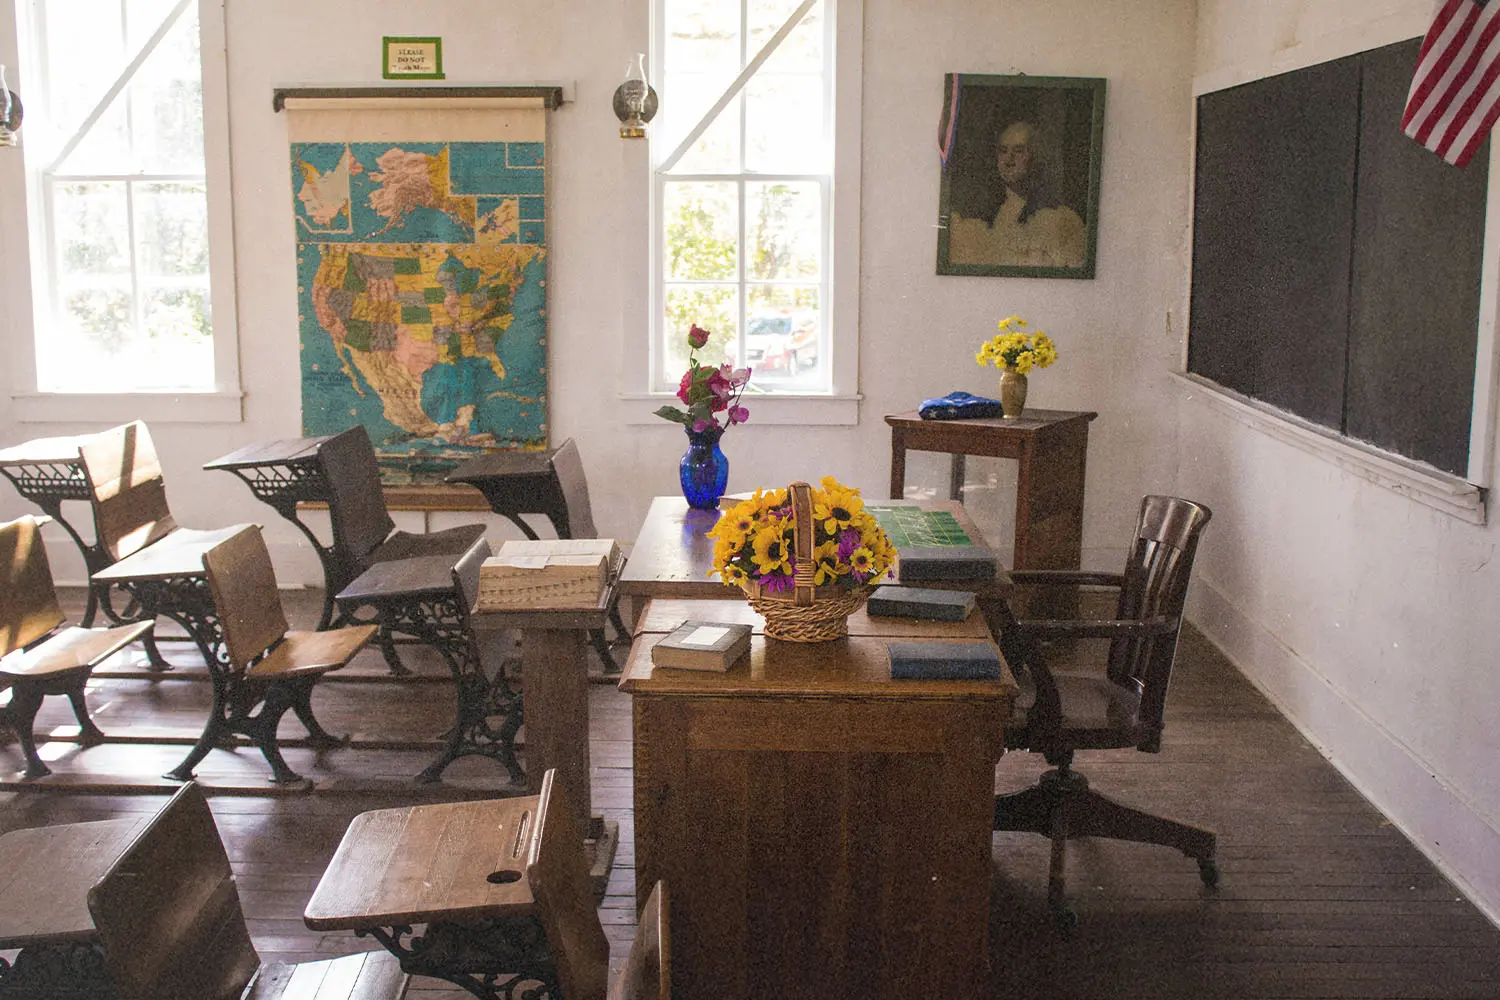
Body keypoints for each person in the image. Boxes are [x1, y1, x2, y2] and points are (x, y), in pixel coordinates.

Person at [947, 120, 1087, 268]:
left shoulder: (1059, 217)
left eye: (1019, 151)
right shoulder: (980, 214)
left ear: (1035, 156)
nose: (1009, 159)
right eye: (1003, 151)